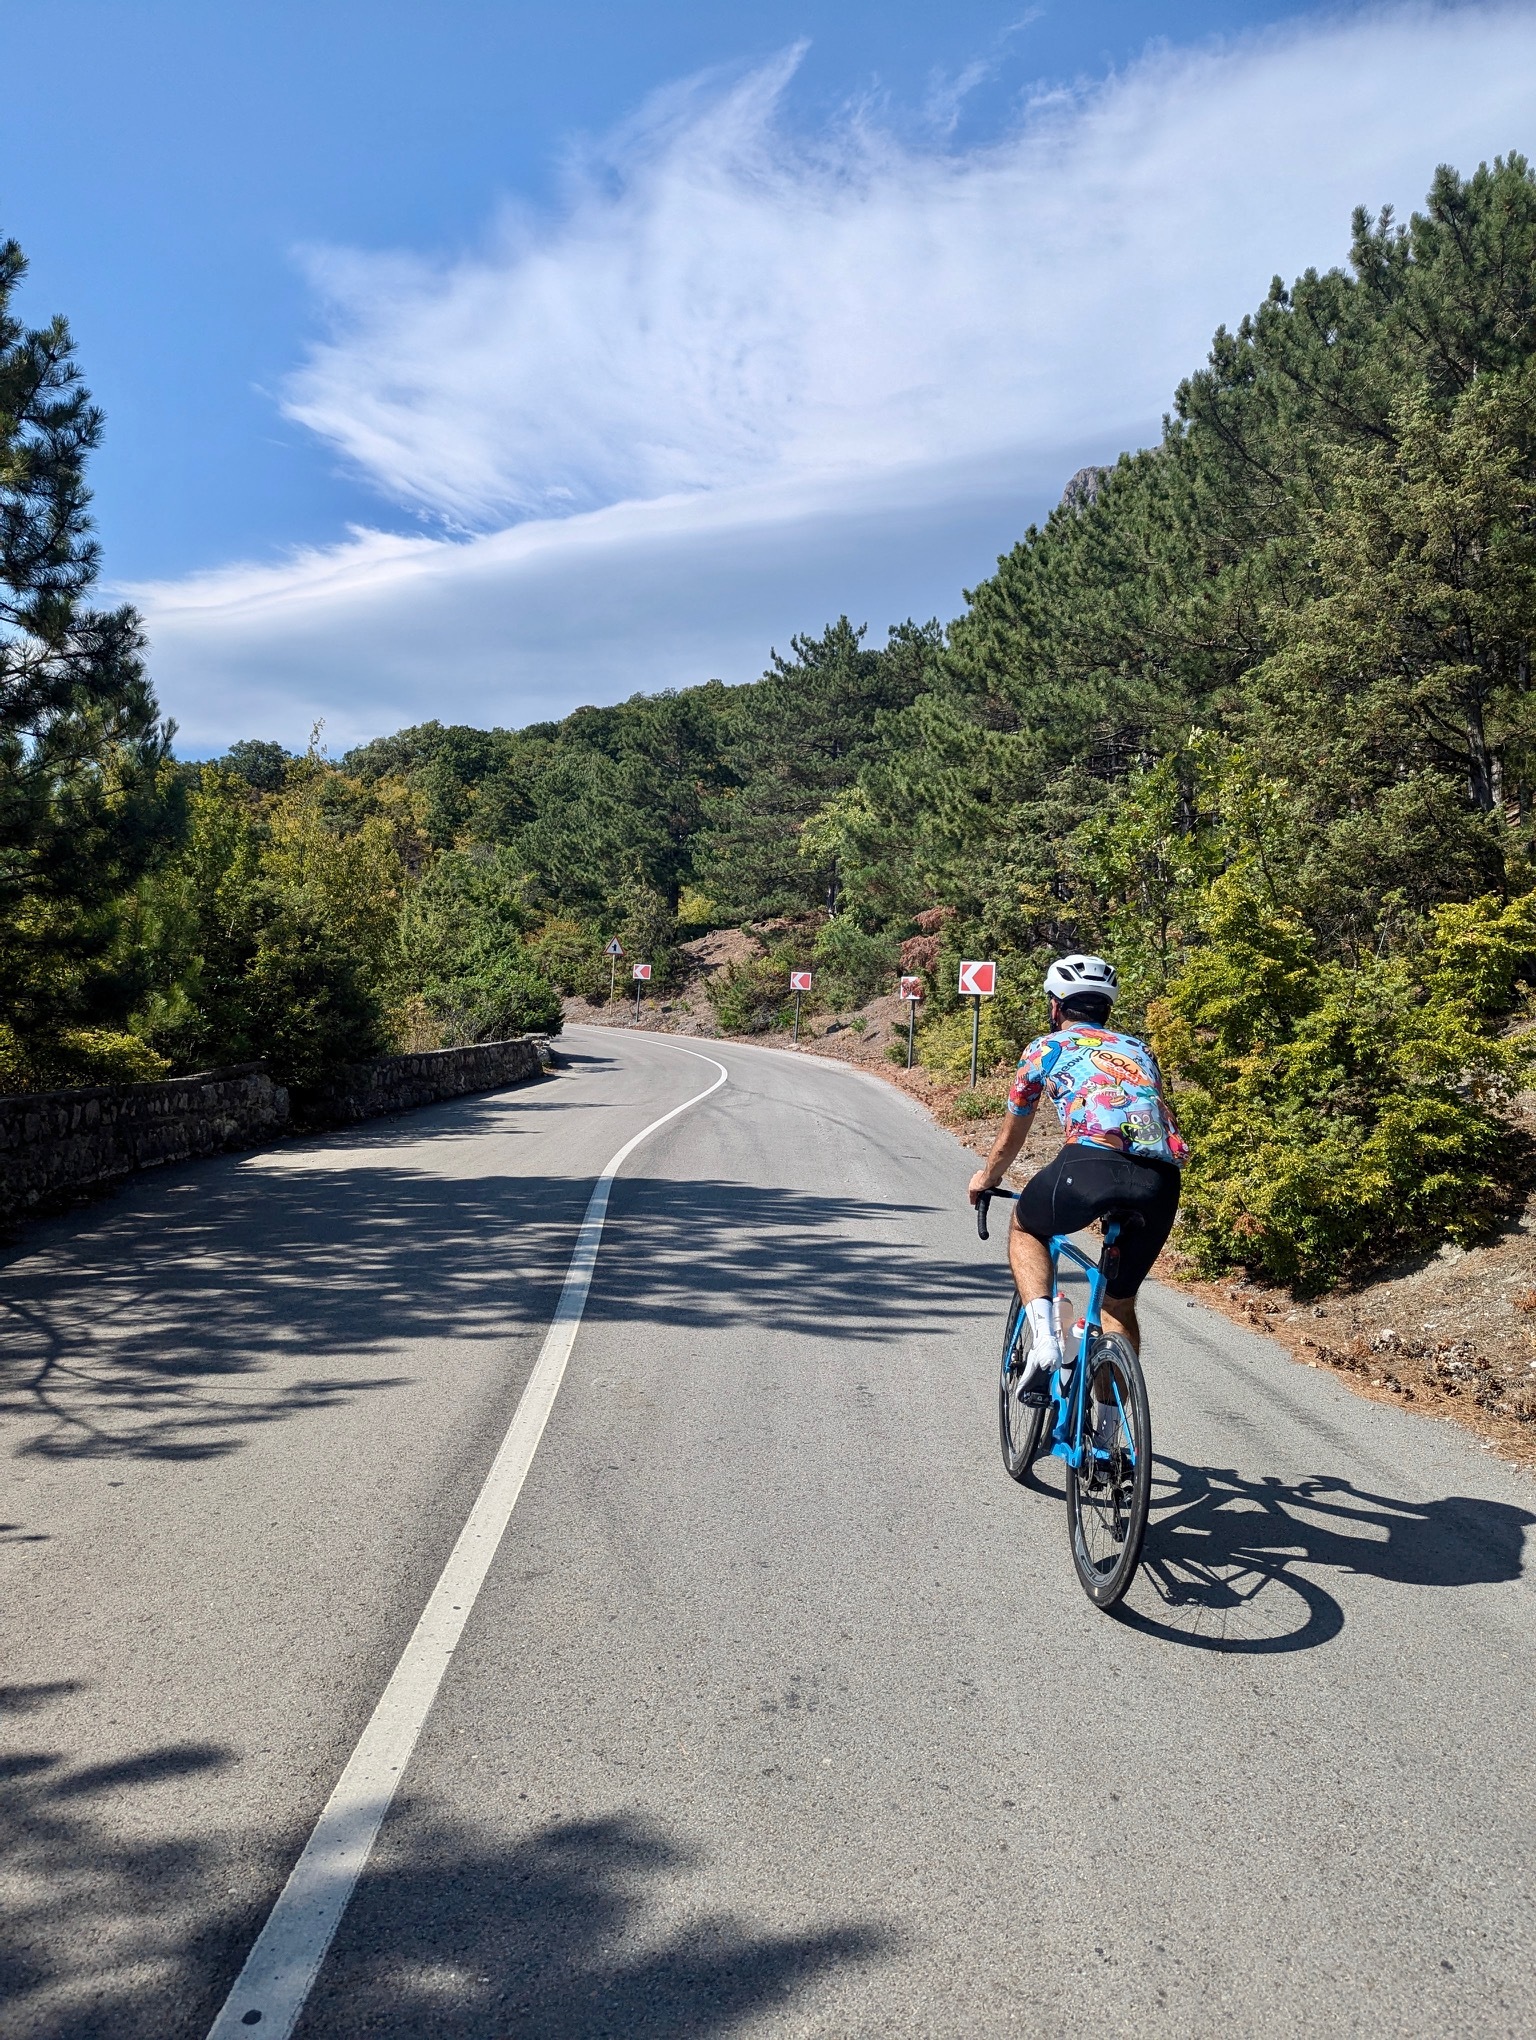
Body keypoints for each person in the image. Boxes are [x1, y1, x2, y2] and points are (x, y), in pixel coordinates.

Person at [967, 953, 1186, 1405]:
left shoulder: (1045, 1048)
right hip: (1160, 1181)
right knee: (1118, 1303)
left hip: (1089, 1164)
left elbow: (1012, 1135)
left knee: (1027, 1226)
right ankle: (1107, 1445)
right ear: (1107, 1007)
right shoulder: (1141, 1050)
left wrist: (986, 1178)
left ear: (1055, 1005)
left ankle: (1046, 1343)